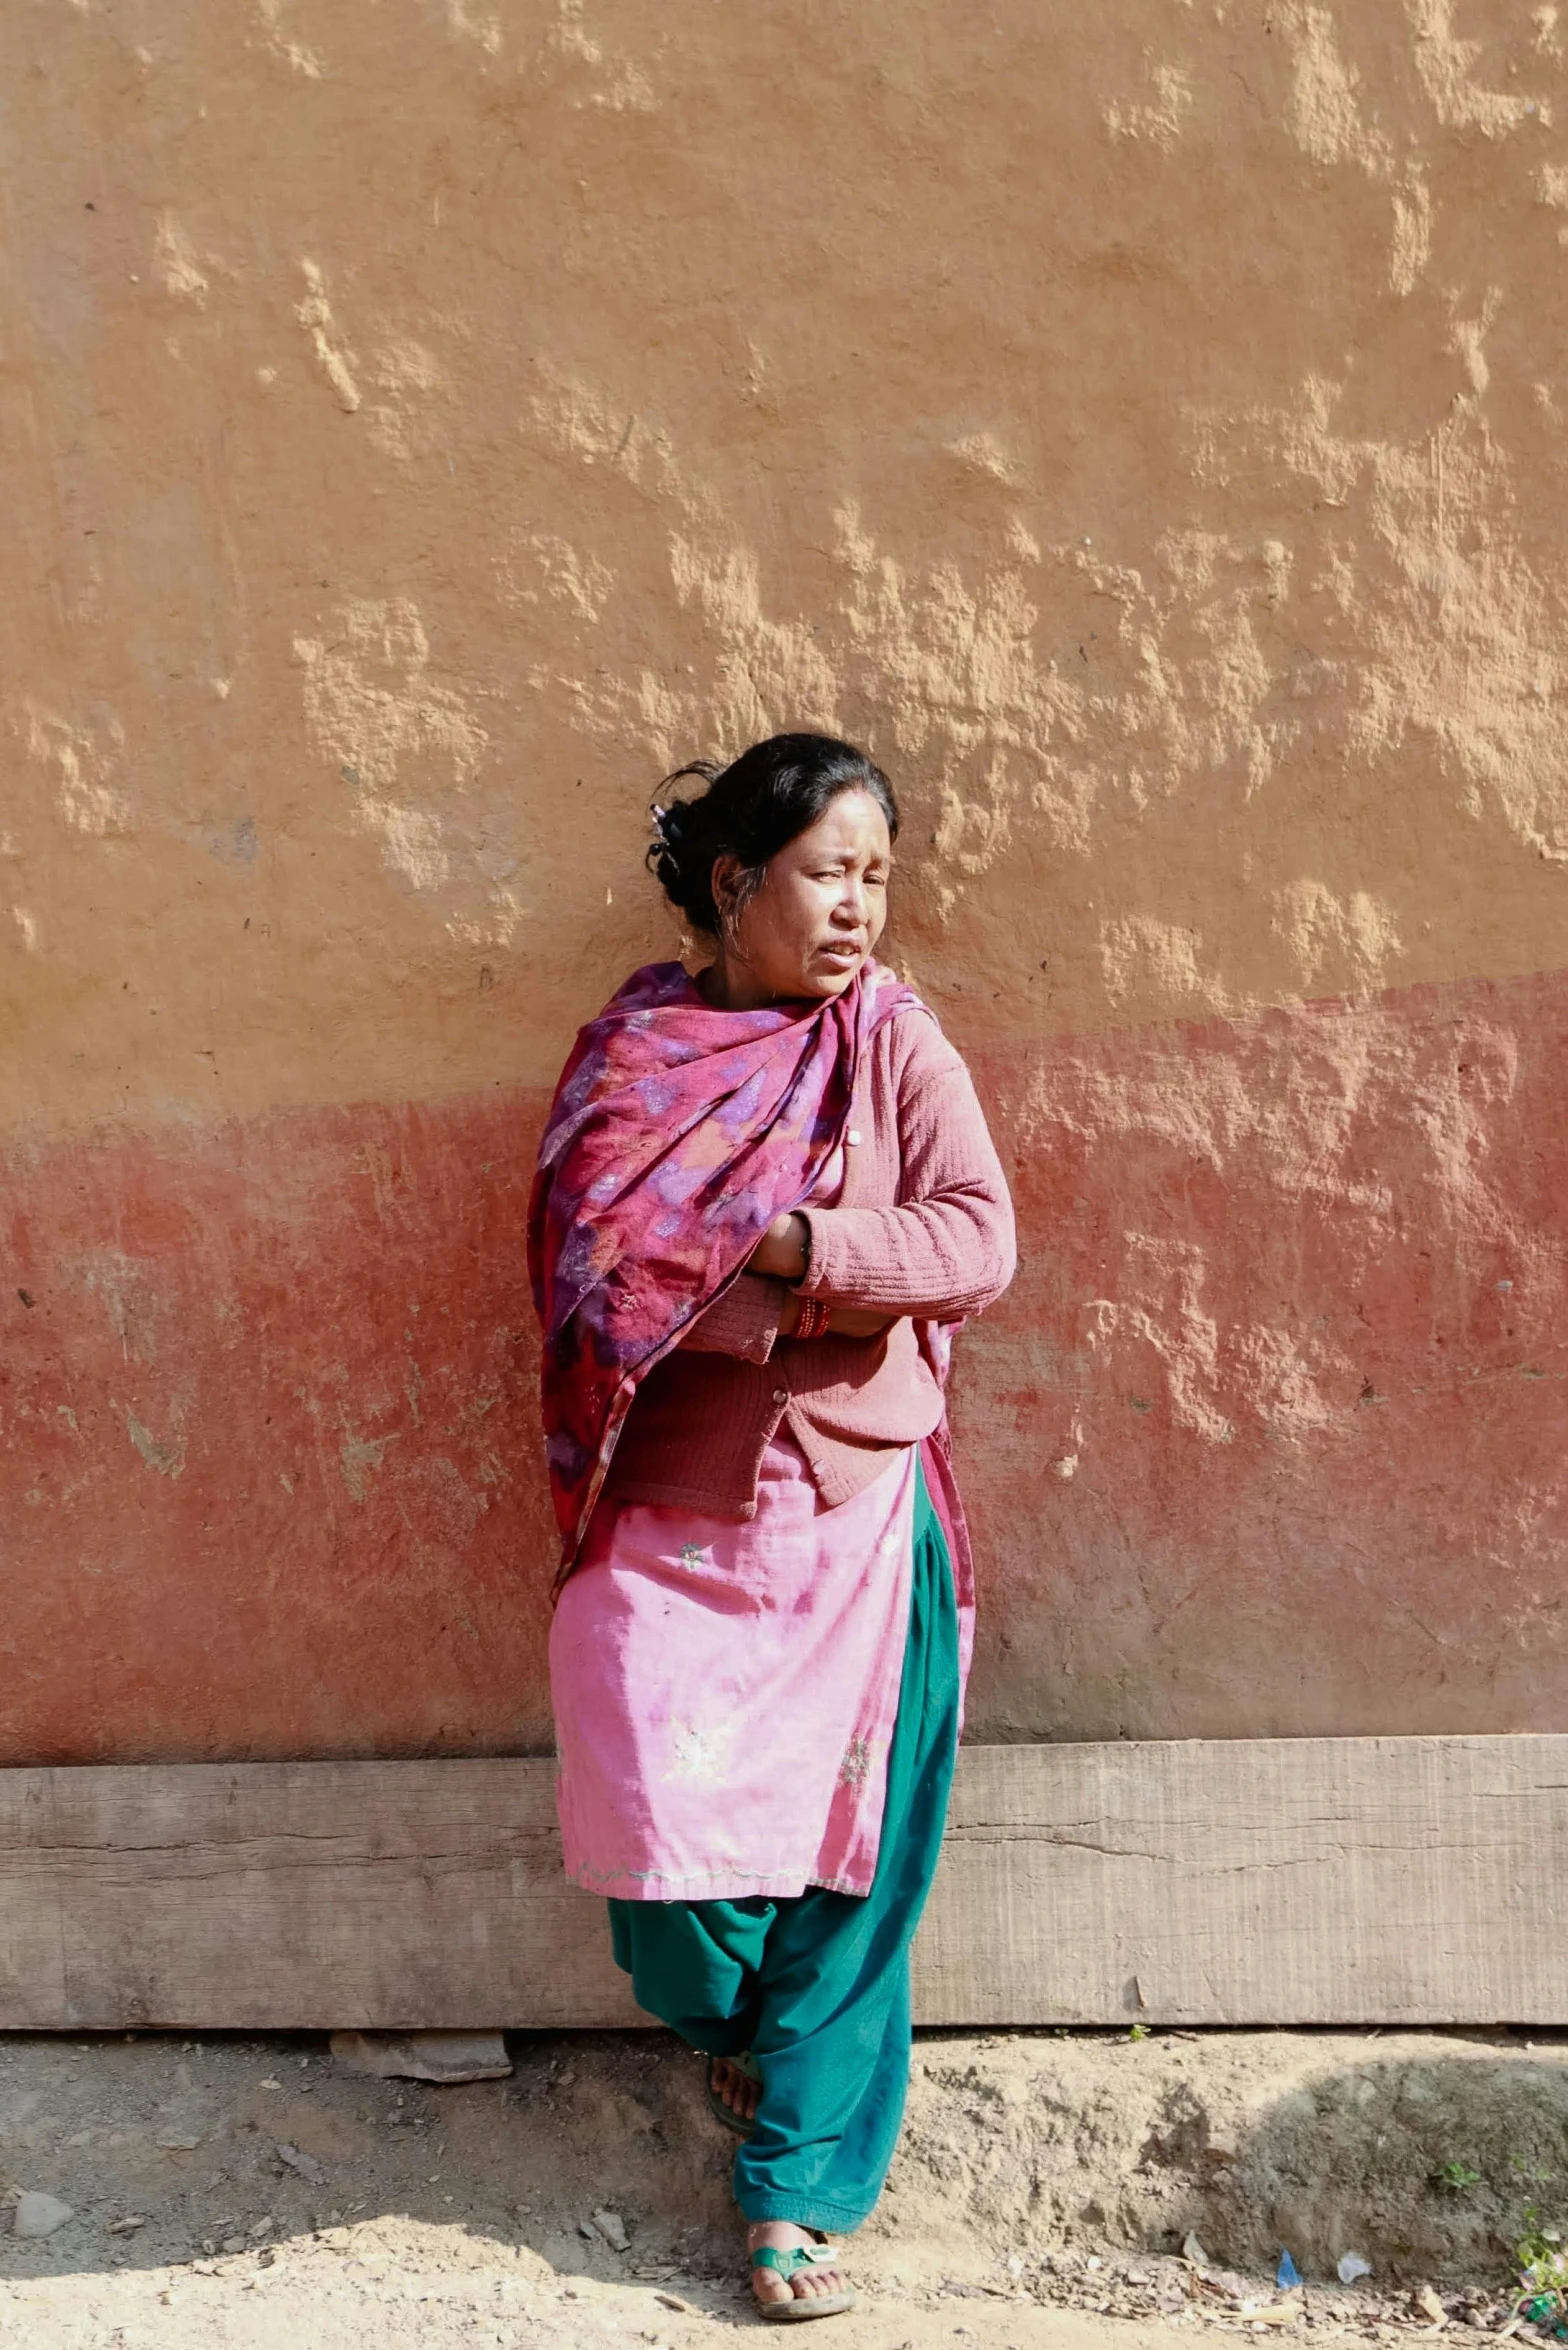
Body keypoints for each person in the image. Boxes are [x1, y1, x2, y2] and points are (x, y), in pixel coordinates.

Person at [528, 733, 1015, 2321]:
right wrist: (736, 1293)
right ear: (736, 885)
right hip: (670, 1520)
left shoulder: (890, 1040)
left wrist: (799, 1246)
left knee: (857, 1870)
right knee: (662, 1870)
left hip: (860, 1507)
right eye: (828, 872)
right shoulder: (633, 1059)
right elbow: (604, 1270)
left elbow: (976, 1235)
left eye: (878, 875)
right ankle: (735, 2039)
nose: (860, 905)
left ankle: (796, 2192)